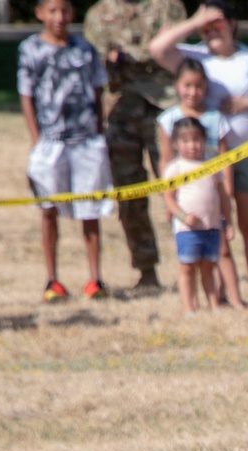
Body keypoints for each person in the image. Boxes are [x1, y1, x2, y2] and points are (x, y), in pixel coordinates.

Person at [149, 0, 248, 310]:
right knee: (213, 227)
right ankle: (220, 296)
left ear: (233, 24)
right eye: (206, 26)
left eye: (218, 23)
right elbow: (157, 48)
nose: (212, 30)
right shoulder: (196, 57)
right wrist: (196, 21)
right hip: (207, 162)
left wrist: (247, 104)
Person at [84, 0, 188, 291]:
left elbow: (176, 50)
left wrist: (129, 55)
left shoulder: (169, 6)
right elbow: (98, 62)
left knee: (179, 189)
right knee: (130, 195)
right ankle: (146, 271)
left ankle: (191, 265)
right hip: (120, 112)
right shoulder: (97, 14)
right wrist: (149, 50)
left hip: (165, 108)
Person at [19, 0, 114, 302]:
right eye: (53, 11)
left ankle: (95, 279)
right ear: (40, 13)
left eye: (65, 10)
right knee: (49, 211)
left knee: (90, 210)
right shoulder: (30, 49)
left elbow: (98, 93)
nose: (59, 17)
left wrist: (99, 134)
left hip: (86, 141)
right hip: (51, 143)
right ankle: (52, 280)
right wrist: (37, 141)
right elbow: (27, 96)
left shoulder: (85, 49)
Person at [157, 58, 244, 308]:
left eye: (199, 87)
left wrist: (226, 190)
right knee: (191, 259)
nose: (193, 92)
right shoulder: (168, 119)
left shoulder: (216, 118)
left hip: (213, 193)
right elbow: (165, 160)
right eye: (187, 86)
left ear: (206, 88)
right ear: (177, 85)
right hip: (185, 201)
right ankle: (192, 305)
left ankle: (234, 300)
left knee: (222, 251)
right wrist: (168, 202)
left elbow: (225, 157)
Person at [162, 117, 234, 316]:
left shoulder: (212, 165)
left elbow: (223, 197)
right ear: (176, 144)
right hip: (187, 230)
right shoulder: (175, 168)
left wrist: (228, 222)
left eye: (196, 140)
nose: (192, 145)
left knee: (209, 268)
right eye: (186, 141)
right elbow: (168, 198)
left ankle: (214, 305)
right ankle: (189, 307)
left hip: (211, 228)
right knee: (187, 269)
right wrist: (182, 216)